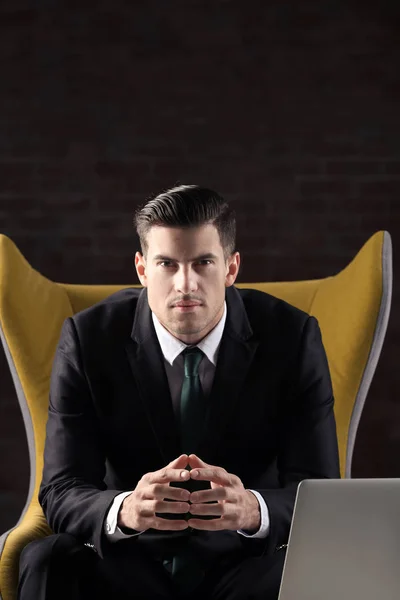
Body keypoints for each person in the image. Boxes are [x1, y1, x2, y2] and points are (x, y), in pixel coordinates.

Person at [18, 184, 340, 600]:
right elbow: (62, 487)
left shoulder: (293, 337)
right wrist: (126, 510)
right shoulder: (87, 339)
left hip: (246, 565)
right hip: (131, 563)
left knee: (324, 564)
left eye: (203, 262)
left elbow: (318, 491)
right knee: (47, 559)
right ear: (141, 269)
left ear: (231, 268)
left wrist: (252, 509)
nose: (185, 284)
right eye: (166, 264)